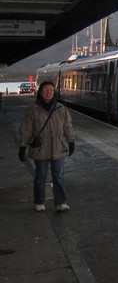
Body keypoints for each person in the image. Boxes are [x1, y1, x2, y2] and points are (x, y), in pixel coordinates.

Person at [18, 81, 75, 212]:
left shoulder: (61, 109)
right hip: (40, 149)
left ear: (54, 92)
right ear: (40, 92)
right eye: (45, 90)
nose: (48, 92)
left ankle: (61, 202)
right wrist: (22, 146)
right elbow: (25, 129)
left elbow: (68, 127)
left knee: (59, 176)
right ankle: (39, 202)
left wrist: (71, 141)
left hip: (58, 147)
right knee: (40, 176)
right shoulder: (33, 110)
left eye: (51, 90)